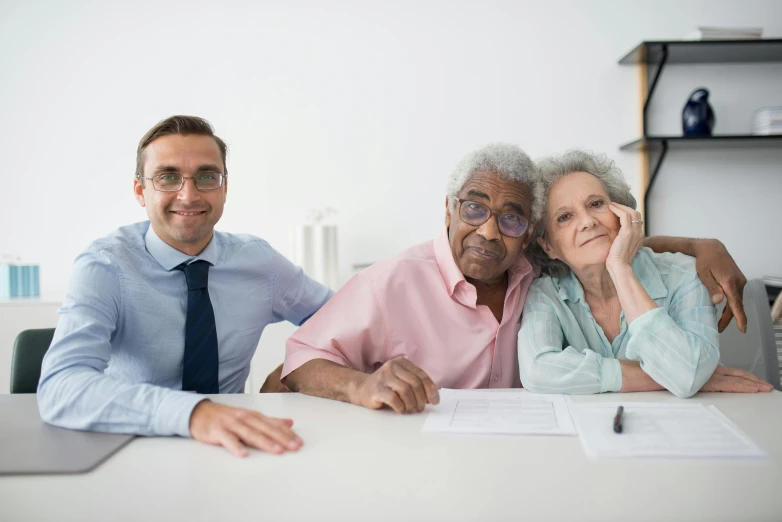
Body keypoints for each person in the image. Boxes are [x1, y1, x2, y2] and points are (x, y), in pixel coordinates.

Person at [280, 143, 754, 413]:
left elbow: (599, 245)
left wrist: (697, 246)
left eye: (510, 218)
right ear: (448, 210)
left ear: (529, 235)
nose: (488, 231)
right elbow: (299, 358)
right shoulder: (390, 282)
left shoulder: (535, 274)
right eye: (474, 208)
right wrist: (360, 386)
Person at [37, 116, 333, 457]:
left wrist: (292, 370)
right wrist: (193, 413)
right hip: (132, 447)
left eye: (207, 176)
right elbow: (61, 386)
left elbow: (344, 321)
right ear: (140, 191)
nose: (188, 195)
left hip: (238, 446)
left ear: (224, 189)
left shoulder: (259, 262)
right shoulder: (103, 266)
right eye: (168, 177)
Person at [518, 150, 774, 397]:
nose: (587, 221)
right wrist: (662, 377)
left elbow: (687, 375)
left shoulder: (684, 276)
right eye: (564, 217)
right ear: (548, 246)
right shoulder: (545, 294)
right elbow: (537, 370)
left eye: (596, 204)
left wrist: (620, 268)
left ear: (623, 214)